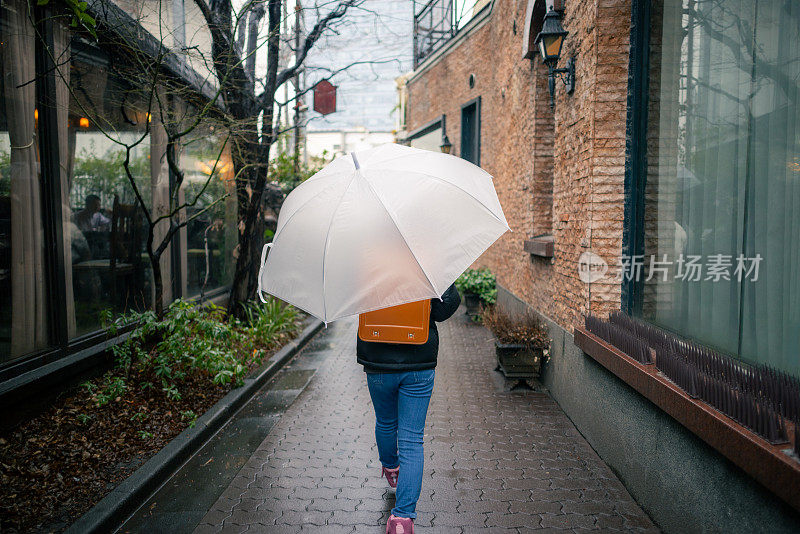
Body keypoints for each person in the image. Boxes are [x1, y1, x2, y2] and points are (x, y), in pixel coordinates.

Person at [357, 284, 461, 534]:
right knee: (412, 440)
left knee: (384, 421)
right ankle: (402, 519)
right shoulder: (425, 260)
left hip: (378, 359)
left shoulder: (366, 261)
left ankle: (391, 468)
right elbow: (446, 307)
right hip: (418, 362)